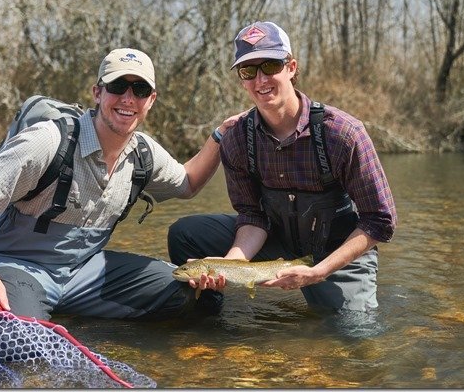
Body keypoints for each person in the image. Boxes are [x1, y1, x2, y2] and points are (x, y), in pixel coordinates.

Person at [0, 47, 241, 347]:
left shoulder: (144, 154)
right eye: (117, 87)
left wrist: (219, 136)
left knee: (195, 293)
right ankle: (28, 312)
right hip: (18, 266)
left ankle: (59, 313)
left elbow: (187, 183)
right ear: (97, 92)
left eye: (140, 89)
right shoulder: (47, 141)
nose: (128, 99)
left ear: (150, 100)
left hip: (85, 272)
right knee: (19, 345)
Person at [168, 21, 397, 314]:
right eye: (248, 71)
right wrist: (232, 264)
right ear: (241, 79)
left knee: (355, 339)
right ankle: (210, 319)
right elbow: (252, 216)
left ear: (291, 67)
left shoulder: (343, 133)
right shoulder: (236, 138)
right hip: (277, 242)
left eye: (270, 66)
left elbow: (380, 220)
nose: (260, 80)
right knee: (186, 233)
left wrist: (319, 271)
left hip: (336, 253)